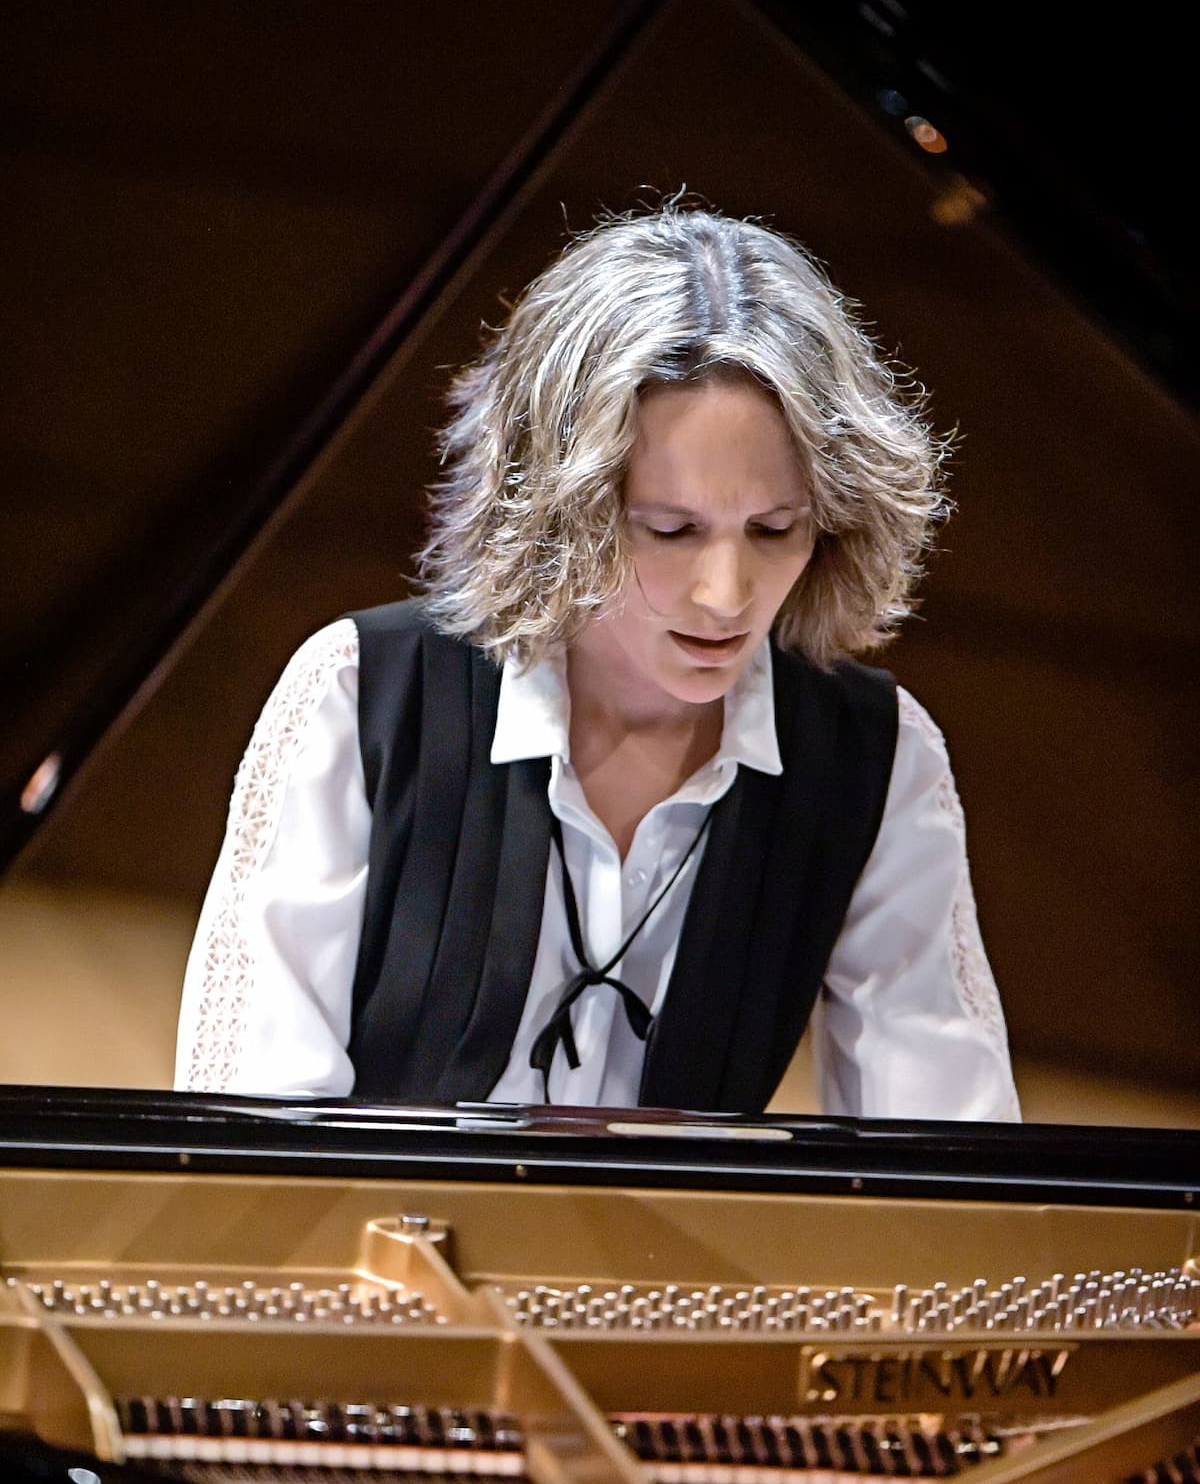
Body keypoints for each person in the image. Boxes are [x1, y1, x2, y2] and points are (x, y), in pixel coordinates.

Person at [175, 204, 1020, 1121]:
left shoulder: (874, 758)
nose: (727, 594)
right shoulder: (360, 699)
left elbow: (941, 1157)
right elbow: (253, 1135)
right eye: (671, 530)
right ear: (556, 514)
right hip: (371, 1251)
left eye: (776, 530)